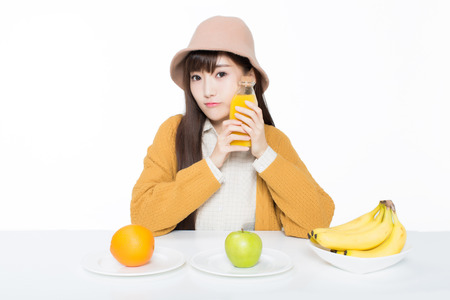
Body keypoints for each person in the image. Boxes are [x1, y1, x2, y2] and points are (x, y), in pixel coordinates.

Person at [130, 16, 334, 238]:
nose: (207, 90)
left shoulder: (273, 141)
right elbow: (142, 218)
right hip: (189, 268)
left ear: (249, 77)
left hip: (253, 269)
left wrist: (263, 154)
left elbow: (317, 223)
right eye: (196, 77)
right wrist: (213, 162)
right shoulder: (173, 132)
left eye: (221, 74)